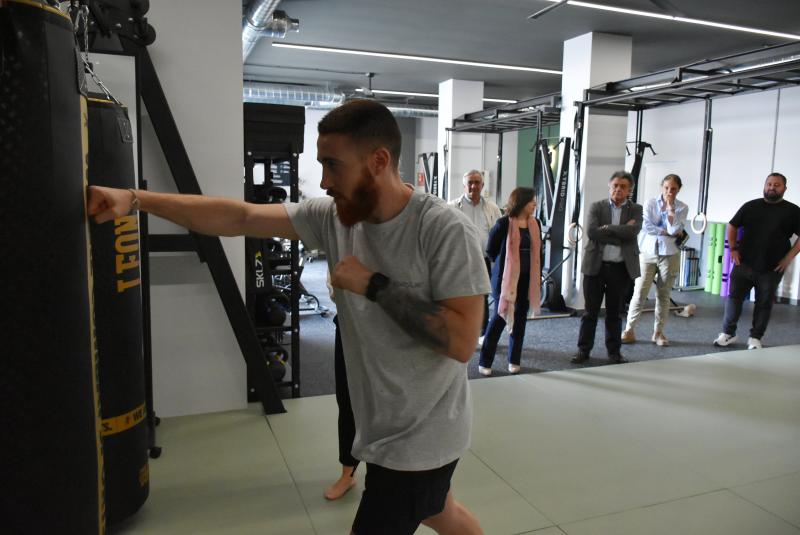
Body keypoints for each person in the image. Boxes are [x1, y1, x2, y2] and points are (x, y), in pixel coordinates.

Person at [88, 99, 487, 535]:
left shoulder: (443, 229)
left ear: (378, 161)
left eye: (333, 166)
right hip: (382, 426)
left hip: (420, 438)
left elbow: (462, 340)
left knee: (418, 511)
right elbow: (240, 216)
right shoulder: (334, 218)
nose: (324, 181)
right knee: (439, 511)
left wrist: (374, 285)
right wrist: (136, 199)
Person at [713, 172, 800, 350]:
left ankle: (755, 338)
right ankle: (728, 333)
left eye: (776, 185)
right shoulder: (751, 206)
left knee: (764, 303)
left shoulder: (793, 211)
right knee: (734, 300)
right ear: (764, 186)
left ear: (784, 189)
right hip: (743, 264)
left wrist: (788, 258)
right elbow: (732, 225)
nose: (772, 187)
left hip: (772, 268)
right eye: (769, 184)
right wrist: (733, 249)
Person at [573, 171, 643, 365]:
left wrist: (609, 228)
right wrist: (621, 233)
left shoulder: (636, 209)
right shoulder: (597, 207)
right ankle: (583, 350)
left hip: (620, 270)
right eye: (615, 186)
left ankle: (614, 353)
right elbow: (592, 233)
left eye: (623, 187)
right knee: (590, 312)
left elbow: (633, 232)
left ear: (629, 190)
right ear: (609, 187)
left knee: (614, 313)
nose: (618, 189)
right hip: (595, 267)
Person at [478, 187, 541, 376]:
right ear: (521, 202)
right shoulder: (503, 224)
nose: (534, 204)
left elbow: (538, 252)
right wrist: (509, 266)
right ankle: (485, 361)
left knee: (520, 319)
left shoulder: (535, 223)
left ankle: (514, 360)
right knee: (499, 317)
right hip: (505, 281)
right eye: (531, 201)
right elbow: (491, 251)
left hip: (527, 280)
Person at [622, 174, 688, 347]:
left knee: (663, 294)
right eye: (666, 188)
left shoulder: (682, 208)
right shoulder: (650, 203)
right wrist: (665, 231)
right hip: (648, 252)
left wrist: (671, 210)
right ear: (661, 187)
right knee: (639, 292)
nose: (669, 192)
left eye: (673, 189)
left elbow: (674, 229)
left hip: (670, 254)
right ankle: (629, 329)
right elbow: (646, 226)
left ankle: (658, 333)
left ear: (679, 189)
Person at [449, 170, 502, 343]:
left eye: (477, 182)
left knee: (482, 295)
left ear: (482, 185)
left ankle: (482, 334)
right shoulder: (452, 207)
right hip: (461, 259)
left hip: (483, 259)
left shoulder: (492, 208)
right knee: (459, 295)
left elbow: (499, 234)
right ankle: (460, 332)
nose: (473, 186)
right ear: (464, 185)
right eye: (470, 183)